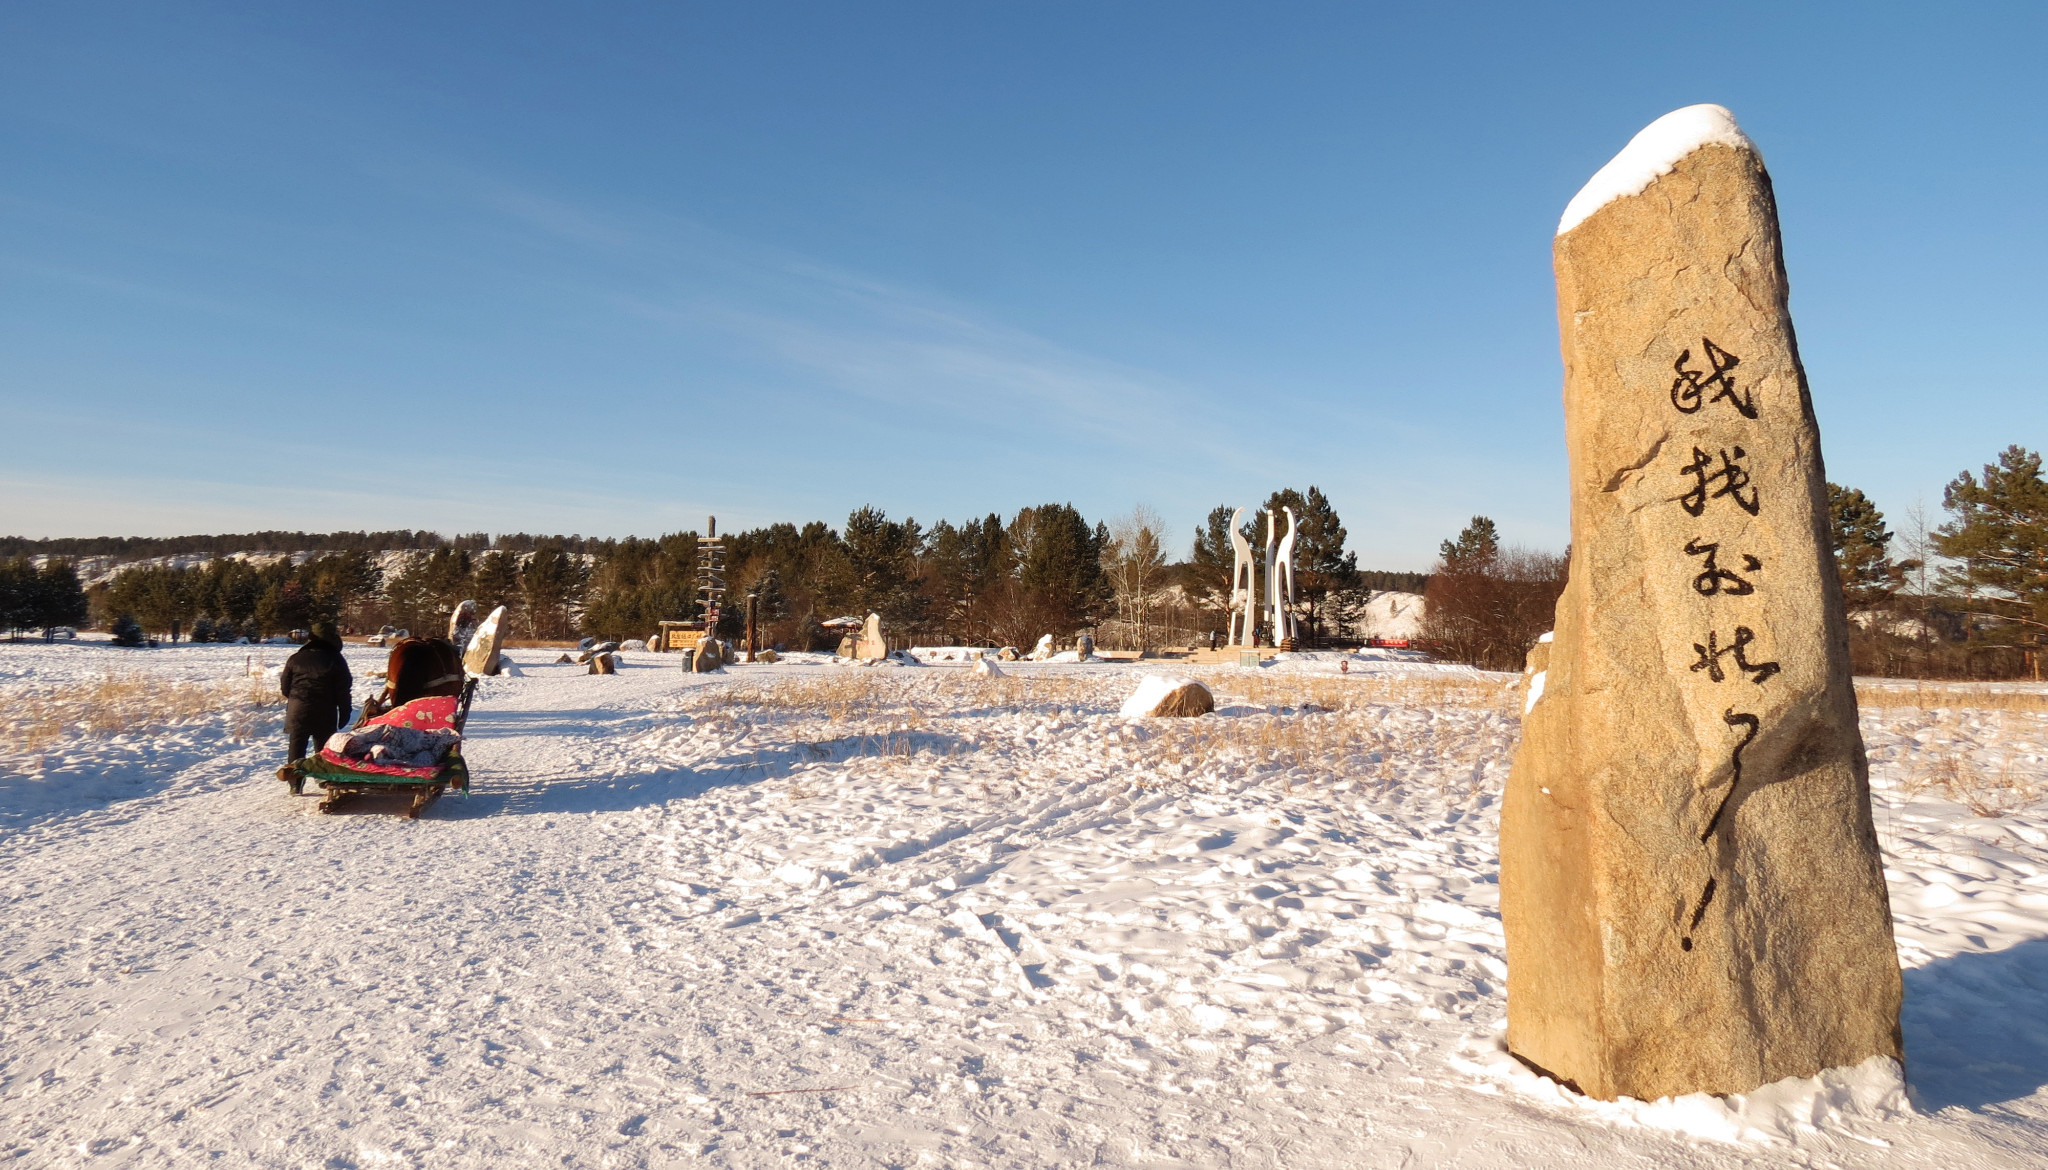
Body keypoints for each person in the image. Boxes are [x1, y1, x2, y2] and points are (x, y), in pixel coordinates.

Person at [281, 621, 353, 764]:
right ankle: (323, 780)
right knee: (323, 750)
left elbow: (285, 687)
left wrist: (297, 701)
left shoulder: (295, 658)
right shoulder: (336, 659)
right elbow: (343, 690)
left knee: (296, 749)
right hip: (324, 713)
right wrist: (345, 711)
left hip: (297, 712)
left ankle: (295, 783)